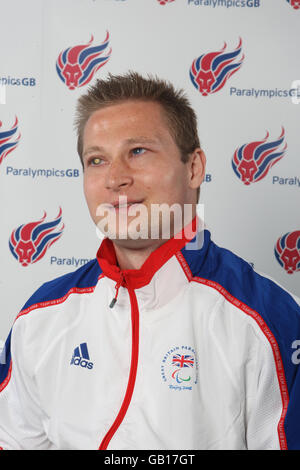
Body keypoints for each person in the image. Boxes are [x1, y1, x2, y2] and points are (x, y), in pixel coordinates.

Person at [0, 72, 299, 450]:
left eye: (138, 151)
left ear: (193, 168)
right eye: (96, 160)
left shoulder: (269, 320)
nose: (115, 178)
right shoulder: (42, 315)